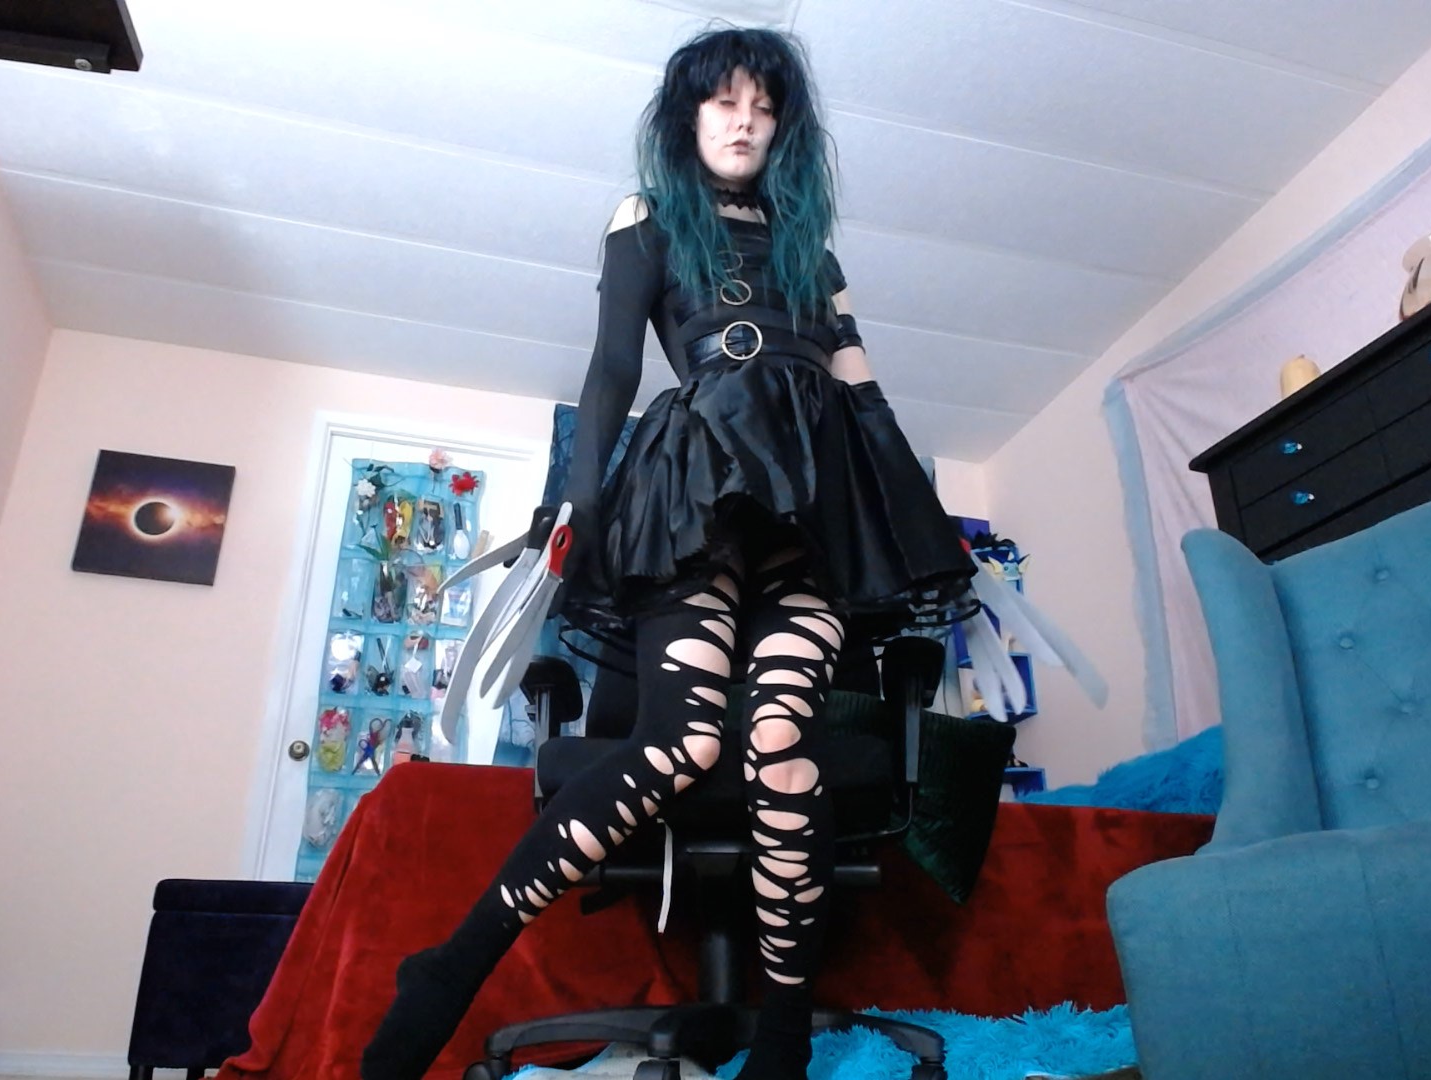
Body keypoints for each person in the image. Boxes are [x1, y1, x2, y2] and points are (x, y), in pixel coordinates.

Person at [360, 26, 978, 1080]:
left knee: (784, 742)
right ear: (688, 114)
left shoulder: (811, 248)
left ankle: (781, 1041)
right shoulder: (647, 217)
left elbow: (861, 384)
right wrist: (579, 499)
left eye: (764, 108)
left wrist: (911, 514)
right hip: (698, 488)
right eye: (724, 101)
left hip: (812, 502)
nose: (744, 122)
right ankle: (452, 965)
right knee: (685, 742)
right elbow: (611, 368)